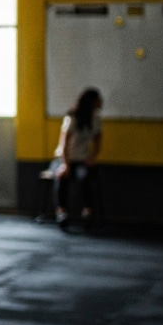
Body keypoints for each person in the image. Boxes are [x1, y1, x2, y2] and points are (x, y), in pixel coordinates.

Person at [53, 88, 104, 229]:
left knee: (85, 176)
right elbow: (63, 144)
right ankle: (61, 212)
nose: (101, 102)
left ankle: (88, 211)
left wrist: (92, 157)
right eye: (98, 99)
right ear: (92, 102)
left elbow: (98, 143)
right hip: (65, 158)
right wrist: (65, 165)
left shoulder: (96, 119)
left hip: (82, 159)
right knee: (62, 177)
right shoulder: (72, 117)